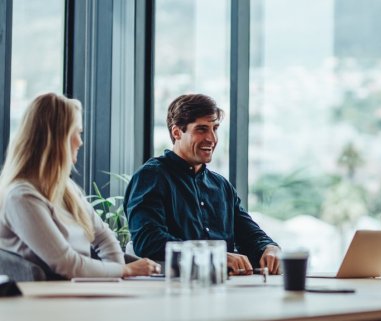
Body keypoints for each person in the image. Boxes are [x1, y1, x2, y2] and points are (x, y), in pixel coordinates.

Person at [0, 93, 159, 279]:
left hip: (76, 290)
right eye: (77, 132)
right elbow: (66, 264)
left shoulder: (65, 188)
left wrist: (117, 274)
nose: (80, 142)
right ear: (58, 139)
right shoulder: (22, 198)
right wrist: (125, 270)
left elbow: (103, 236)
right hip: (45, 299)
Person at [125, 94, 281, 275]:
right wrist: (215, 256)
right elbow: (149, 241)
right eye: (201, 129)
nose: (212, 138)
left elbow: (249, 234)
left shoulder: (221, 185)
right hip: (171, 290)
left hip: (224, 289)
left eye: (215, 128)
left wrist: (269, 248)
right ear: (177, 132)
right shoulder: (151, 176)